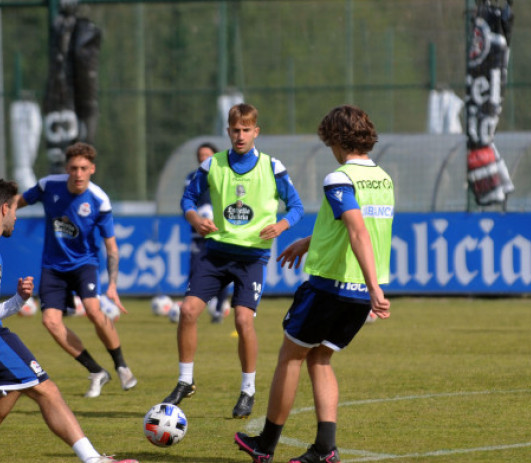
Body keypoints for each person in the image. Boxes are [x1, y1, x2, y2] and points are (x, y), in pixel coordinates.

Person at [234, 105, 393, 463]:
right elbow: (351, 226)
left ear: (337, 138)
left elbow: (357, 230)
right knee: (320, 359)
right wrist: (309, 242)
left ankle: (265, 445)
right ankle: (325, 448)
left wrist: (374, 288)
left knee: (290, 356)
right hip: (358, 295)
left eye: (328, 141)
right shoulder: (383, 178)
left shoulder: (340, 177)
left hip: (333, 287)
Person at [0, 179, 137, 463]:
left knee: (17, 385)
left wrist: (18, 300)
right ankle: (93, 460)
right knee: (46, 389)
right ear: (5, 208)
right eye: (15, 210)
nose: (16, 217)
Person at [163, 103, 304, 419]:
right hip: (215, 254)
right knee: (187, 311)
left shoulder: (272, 167)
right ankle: (185, 381)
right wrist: (194, 219)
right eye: (235, 130)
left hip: (251, 258)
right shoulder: (212, 165)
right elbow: (187, 199)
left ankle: (248, 389)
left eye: (246, 129)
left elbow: (296, 206)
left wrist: (281, 225)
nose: (240, 135)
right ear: (228, 131)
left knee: (242, 320)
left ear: (256, 131)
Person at [18, 142, 135, 398]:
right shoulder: (48, 186)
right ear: (66, 168)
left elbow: (111, 247)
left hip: (85, 264)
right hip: (53, 266)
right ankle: (96, 371)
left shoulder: (99, 200)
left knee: (94, 310)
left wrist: (112, 285)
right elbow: (19, 201)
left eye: (83, 168)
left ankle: (121, 365)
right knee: (50, 321)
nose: (78, 173)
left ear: (92, 169)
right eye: (73, 168)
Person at [185, 142, 231, 323]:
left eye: (207, 155)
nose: (203, 158)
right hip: (198, 233)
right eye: (200, 155)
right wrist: (197, 218)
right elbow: (186, 203)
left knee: (221, 271)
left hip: (219, 233)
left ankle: (219, 308)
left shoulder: (223, 176)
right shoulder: (191, 177)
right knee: (195, 270)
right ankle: (191, 309)